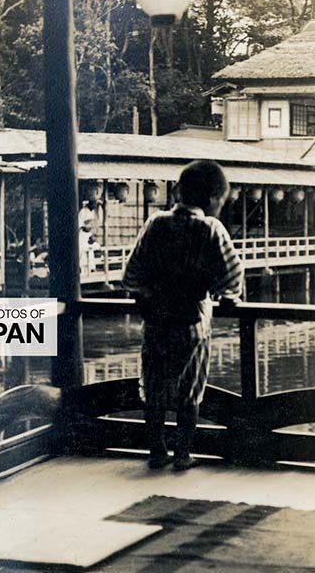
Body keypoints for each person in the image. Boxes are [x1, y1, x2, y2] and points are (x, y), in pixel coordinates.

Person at [122, 160, 243, 471]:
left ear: (179, 191)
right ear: (214, 198)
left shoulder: (156, 223)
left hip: (156, 320)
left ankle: (157, 451)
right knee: (189, 391)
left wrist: (145, 298)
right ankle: (183, 453)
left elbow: (131, 273)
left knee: (154, 387)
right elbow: (232, 275)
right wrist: (225, 295)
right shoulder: (210, 228)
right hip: (193, 322)